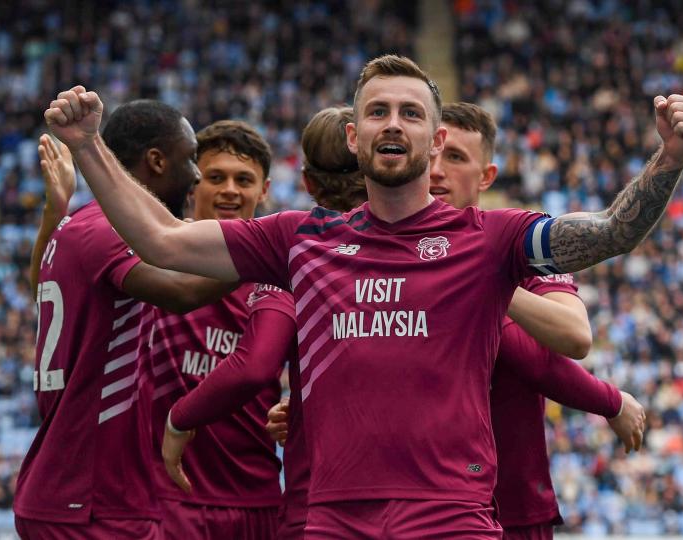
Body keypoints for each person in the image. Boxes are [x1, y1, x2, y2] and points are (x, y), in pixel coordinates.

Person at [44, 54, 683, 537]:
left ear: (435, 139)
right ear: (355, 136)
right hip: (333, 518)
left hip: (451, 516)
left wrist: (669, 158)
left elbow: (613, 232)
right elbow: (161, 240)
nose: (395, 123)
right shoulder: (298, 238)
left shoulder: (489, 238)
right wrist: (89, 146)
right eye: (379, 111)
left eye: (411, 113)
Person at [265, 102, 646, 539]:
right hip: (410, 504)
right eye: (434, 158)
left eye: (457, 158)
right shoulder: (379, 252)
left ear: (486, 176)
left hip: (513, 503)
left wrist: (481, 276)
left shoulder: (515, 244)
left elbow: (572, 337)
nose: (439, 171)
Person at [15, 101, 231, 539]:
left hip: (76, 488)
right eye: (190, 158)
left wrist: (53, 215)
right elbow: (183, 292)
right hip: (93, 499)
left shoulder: (78, 224)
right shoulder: (109, 228)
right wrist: (278, 251)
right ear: (156, 160)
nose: (195, 175)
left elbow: (39, 285)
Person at [162, 107, 364, 540]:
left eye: (244, 179)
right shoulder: (156, 265)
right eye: (216, 177)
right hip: (164, 496)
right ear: (193, 182)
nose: (230, 191)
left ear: (266, 190)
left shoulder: (290, 263)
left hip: (255, 500)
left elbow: (262, 364)